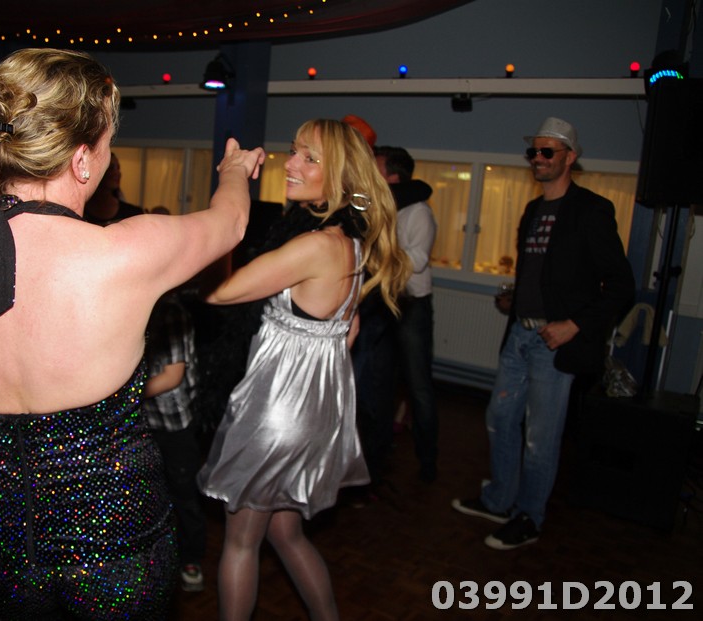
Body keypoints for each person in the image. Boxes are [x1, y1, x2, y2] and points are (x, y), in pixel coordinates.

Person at [0, 47, 264, 619]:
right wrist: (234, 170)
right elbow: (231, 222)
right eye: (108, 145)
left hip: (2, 545)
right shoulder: (125, 253)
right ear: (83, 159)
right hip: (119, 547)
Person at [197, 118, 410, 620]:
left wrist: (230, 195)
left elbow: (218, 293)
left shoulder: (315, 247)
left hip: (278, 411)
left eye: (310, 158)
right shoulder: (350, 245)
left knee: (241, 542)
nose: (291, 164)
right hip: (315, 411)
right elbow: (348, 332)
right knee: (285, 532)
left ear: (340, 177)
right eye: (294, 151)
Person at [452, 117, 634, 550]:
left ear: (570, 157)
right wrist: (515, 300)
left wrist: (575, 324)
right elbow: (542, 274)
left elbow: (622, 286)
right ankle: (499, 500)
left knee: (540, 437)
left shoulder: (591, 210)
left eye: (547, 151)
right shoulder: (533, 210)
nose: (538, 158)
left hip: (554, 344)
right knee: (500, 419)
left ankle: (529, 516)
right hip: (519, 334)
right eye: (533, 151)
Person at [374, 145, 439, 483]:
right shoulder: (384, 208)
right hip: (385, 304)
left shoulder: (418, 212)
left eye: (377, 168)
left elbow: (418, 259)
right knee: (381, 383)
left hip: (413, 306)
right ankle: (379, 451)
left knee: (419, 387)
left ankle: (428, 462)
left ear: (393, 177)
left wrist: (378, 256)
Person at [142, 287, 208, 593]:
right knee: (152, 495)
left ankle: (191, 560)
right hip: (145, 421)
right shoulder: (133, 309)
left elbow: (172, 376)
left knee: (184, 494)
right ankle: (159, 559)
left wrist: (121, 394)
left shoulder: (171, 312)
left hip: (175, 426)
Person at [82, 152, 144, 225]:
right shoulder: (80, 213)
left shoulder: (133, 214)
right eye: (111, 168)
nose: (117, 173)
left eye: (118, 168)